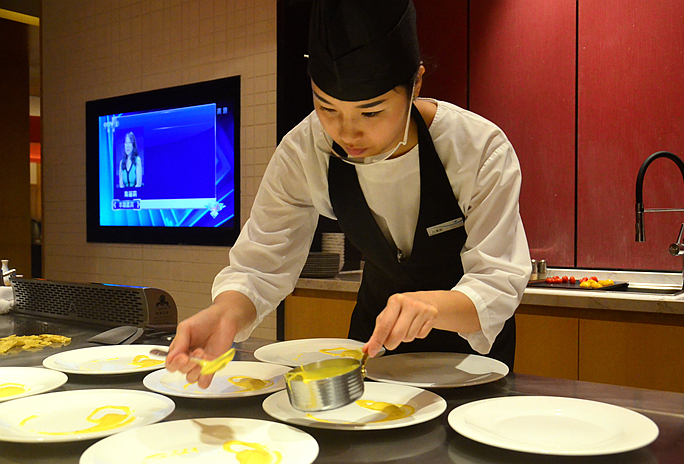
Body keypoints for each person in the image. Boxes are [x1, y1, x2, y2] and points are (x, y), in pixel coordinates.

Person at [166, 0, 530, 388]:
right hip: (373, 346)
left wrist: (433, 306)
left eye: (371, 113)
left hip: (471, 360)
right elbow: (260, 264)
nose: (346, 132)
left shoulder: (477, 148)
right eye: (327, 107)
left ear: (416, 84)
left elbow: (497, 280)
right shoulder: (304, 150)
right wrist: (225, 312)